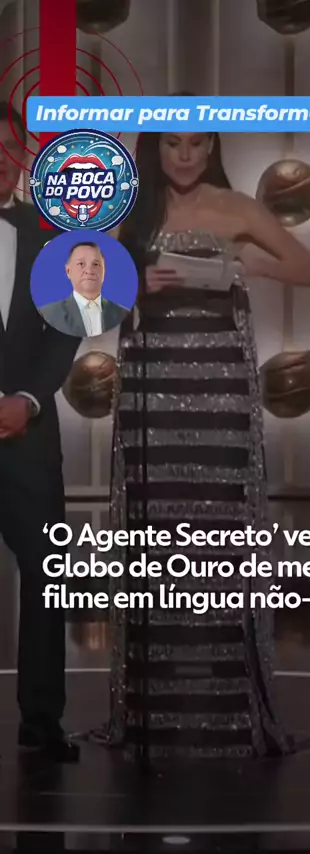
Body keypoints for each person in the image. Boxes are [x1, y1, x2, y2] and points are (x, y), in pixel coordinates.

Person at [104, 126, 310, 766]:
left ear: (212, 150)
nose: (185, 156)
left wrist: (248, 264)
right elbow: (85, 290)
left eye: (197, 145)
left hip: (221, 389)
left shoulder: (238, 208)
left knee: (220, 534)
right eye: (172, 145)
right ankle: (150, 708)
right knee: (156, 535)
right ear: (155, 149)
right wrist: (133, 284)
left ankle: (231, 703)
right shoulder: (130, 209)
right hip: (151, 384)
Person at [0, 102, 81, 760]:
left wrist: (27, 399)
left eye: (7, 147)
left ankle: (43, 720)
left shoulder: (51, 237)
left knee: (48, 571)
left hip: (29, 432)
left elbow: (66, 329)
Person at [38, 241, 129, 337]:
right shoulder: (50, 314)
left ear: (104, 270)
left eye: (96, 264)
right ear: (68, 271)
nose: (89, 271)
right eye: (81, 264)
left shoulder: (122, 313)